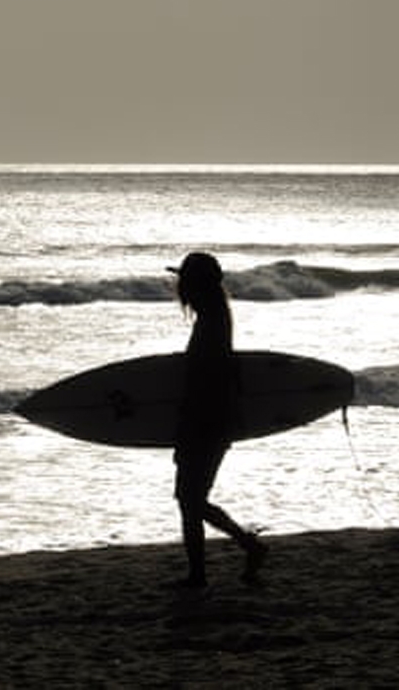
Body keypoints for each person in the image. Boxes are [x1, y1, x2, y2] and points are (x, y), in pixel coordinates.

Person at [166, 252, 267, 588]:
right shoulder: (215, 318)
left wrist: (187, 421)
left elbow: (209, 380)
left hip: (205, 422)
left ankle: (212, 567)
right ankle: (245, 548)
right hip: (212, 421)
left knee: (189, 499)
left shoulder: (211, 324)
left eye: (184, 281)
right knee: (191, 499)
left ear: (194, 284)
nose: (180, 288)